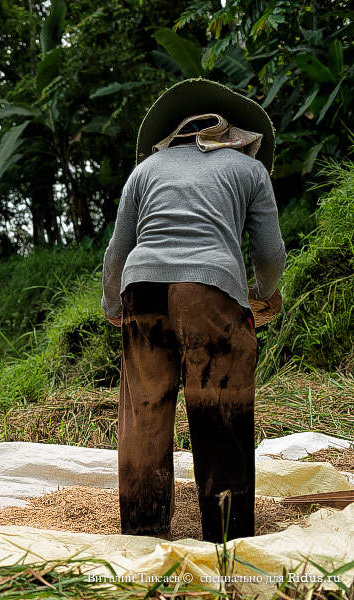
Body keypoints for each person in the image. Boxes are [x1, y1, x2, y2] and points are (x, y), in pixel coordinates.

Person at [101, 78, 286, 543]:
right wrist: (263, 294)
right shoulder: (248, 170)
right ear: (235, 136)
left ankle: (143, 534)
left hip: (140, 288)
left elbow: (117, 252)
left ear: (175, 134)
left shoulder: (146, 170)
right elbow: (270, 253)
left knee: (144, 409)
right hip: (209, 287)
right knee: (219, 406)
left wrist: (111, 306)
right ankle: (227, 536)